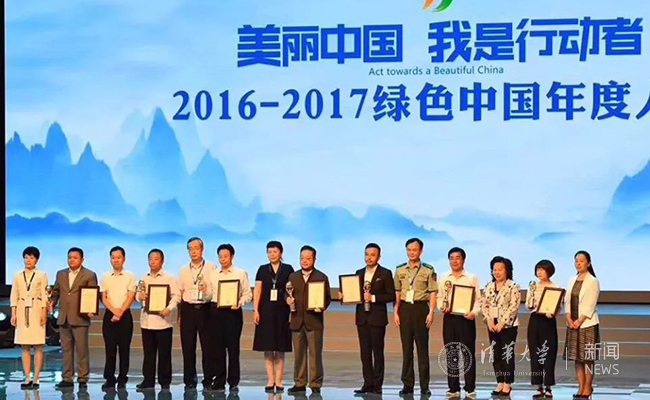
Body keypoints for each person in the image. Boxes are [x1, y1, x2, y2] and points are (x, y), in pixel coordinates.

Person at [348, 243, 395, 395]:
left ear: (379, 257)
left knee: (378, 353)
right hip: (362, 318)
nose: (369, 257)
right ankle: (367, 384)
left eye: (372, 255)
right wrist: (345, 296)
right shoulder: (359, 273)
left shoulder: (385, 273)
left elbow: (391, 295)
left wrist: (373, 298)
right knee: (365, 353)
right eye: (367, 254)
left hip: (377, 319)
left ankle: (377, 385)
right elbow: (354, 293)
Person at [393, 237, 437, 396]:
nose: (412, 253)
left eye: (415, 250)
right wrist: (396, 312)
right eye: (409, 250)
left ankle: (425, 386)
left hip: (421, 309)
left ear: (421, 251)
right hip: (405, 309)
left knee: (422, 350)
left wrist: (431, 312)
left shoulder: (428, 270)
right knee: (406, 350)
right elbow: (397, 293)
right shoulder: (399, 270)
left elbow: (432, 292)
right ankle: (407, 385)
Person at [286, 245, 332, 395]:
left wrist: (321, 306)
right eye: (302, 258)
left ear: (314, 259)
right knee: (299, 355)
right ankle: (299, 383)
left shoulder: (321, 277)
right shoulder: (293, 277)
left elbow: (327, 298)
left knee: (315, 354)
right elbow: (286, 293)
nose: (304, 261)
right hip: (297, 321)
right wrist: (287, 299)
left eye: (308, 258)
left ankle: (315, 383)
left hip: (314, 321)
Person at [50, 247, 98, 389]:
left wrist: (91, 309)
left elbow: (92, 294)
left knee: (82, 350)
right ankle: (67, 378)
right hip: (64, 317)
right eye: (69, 257)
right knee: (66, 350)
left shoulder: (89, 275)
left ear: (82, 260)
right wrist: (52, 301)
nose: (72, 260)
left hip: (80, 318)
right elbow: (56, 291)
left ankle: (83, 378)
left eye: (75, 258)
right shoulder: (61, 274)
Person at [437, 247, 481, 399]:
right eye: (452, 258)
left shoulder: (471, 278)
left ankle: (470, 387)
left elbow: (478, 299)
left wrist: (473, 313)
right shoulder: (444, 277)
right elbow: (439, 296)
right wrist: (441, 307)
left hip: (466, 319)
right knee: (451, 353)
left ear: (463, 260)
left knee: (467, 353)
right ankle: (453, 387)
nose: (454, 261)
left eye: (458, 258)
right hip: (449, 318)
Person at [208, 244, 253, 392]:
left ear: (232, 256)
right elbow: (209, 295)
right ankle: (219, 381)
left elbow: (248, 294)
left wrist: (240, 302)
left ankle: (233, 381)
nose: (223, 259)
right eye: (220, 256)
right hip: (216, 312)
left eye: (225, 256)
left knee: (233, 348)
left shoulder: (240, 273)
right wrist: (204, 291)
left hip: (233, 313)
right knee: (217, 348)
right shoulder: (213, 274)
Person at [252, 241, 294, 394]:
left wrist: (291, 309)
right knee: (268, 347)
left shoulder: (288, 269)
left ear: (281, 253)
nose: (272, 255)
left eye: (275, 252)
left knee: (280, 347)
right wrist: (255, 310)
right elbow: (257, 290)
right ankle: (270, 380)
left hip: (282, 312)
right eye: (269, 252)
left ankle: (279, 380)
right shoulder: (262, 269)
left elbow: (291, 291)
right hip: (266, 311)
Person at [136, 249, 181, 390]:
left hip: (163, 322)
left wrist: (169, 308)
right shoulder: (144, 278)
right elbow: (138, 295)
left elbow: (176, 296)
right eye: (150, 259)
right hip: (147, 322)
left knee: (164, 354)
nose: (153, 262)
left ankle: (165, 381)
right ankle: (148, 380)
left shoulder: (169, 278)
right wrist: (139, 297)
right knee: (148, 354)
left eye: (156, 259)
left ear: (162, 261)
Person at [177, 237, 217, 390]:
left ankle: (209, 379)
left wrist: (206, 290)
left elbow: (215, 290)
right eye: (190, 249)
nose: (193, 251)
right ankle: (189, 380)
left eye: (196, 248)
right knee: (188, 347)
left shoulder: (211, 267)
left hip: (205, 309)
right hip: (187, 310)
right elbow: (180, 293)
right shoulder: (183, 270)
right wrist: (179, 315)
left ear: (202, 249)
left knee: (208, 347)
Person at [481, 256, 521, 398]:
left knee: (507, 355)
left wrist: (501, 323)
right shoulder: (489, 286)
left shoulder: (513, 286)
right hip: (492, 325)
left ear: (507, 270)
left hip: (508, 326)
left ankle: (507, 383)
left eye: (500, 269)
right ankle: (499, 382)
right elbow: (484, 305)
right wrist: (489, 321)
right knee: (496, 354)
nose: (497, 272)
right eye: (494, 269)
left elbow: (514, 306)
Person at [10, 246, 49, 390]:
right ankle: (27, 377)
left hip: (36, 309)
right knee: (24, 345)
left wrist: (44, 313)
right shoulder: (17, 275)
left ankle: (36, 377)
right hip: (21, 309)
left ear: (36, 260)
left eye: (31, 258)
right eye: (26, 257)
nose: (28, 260)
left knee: (38, 345)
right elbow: (14, 295)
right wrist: (13, 313)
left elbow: (45, 295)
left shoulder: (41, 275)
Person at [100, 246, 136, 390]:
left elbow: (131, 296)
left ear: (124, 259)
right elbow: (103, 297)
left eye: (118, 257)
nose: (116, 260)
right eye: (113, 257)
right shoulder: (105, 276)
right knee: (110, 349)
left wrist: (120, 312)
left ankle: (122, 378)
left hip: (125, 315)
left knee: (124, 349)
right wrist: (114, 311)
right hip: (109, 315)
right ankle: (109, 378)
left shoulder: (130, 276)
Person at [565, 251, 600, 399]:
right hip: (572, 324)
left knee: (587, 358)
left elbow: (591, 304)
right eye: (576, 261)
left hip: (587, 324)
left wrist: (579, 321)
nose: (578, 263)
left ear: (588, 263)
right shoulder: (571, 280)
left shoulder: (593, 281)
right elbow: (567, 301)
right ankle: (580, 387)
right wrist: (568, 317)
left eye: (581, 261)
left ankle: (587, 387)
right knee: (577, 358)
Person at [525, 259, 561, 399]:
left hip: (548, 321)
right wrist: (531, 302)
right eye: (538, 270)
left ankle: (548, 386)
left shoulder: (555, 287)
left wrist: (552, 312)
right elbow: (528, 306)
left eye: (542, 270)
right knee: (535, 353)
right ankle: (538, 386)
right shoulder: (533, 286)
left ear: (549, 271)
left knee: (548, 353)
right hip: (535, 320)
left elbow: (558, 307)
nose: (539, 272)